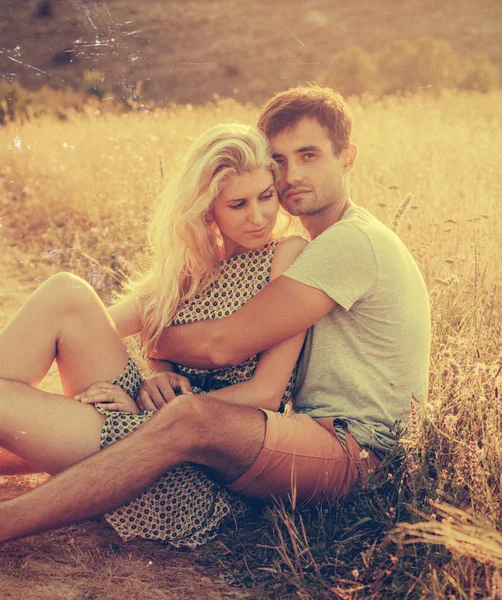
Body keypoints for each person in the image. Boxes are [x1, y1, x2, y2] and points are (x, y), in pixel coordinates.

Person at [0, 85, 431, 544]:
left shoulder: (342, 244)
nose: (290, 178)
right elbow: (113, 322)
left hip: (352, 447)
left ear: (347, 157)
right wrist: (154, 368)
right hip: (252, 430)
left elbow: (225, 346)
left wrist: (156, 344)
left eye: (309, 156)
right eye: (280, 161)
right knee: (68, 293)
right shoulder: (266, 255)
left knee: (187, 417)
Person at [0, 123, 307, 546]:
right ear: (207, 210)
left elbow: (266, 395)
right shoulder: (193, 268)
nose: (258, 217)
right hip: (144, 419)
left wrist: (148, 417)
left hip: (184, 463)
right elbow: (91, 326)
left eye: (266, 197)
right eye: (237, 204)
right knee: (66, 293)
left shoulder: (287, 256)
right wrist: (152, 371)